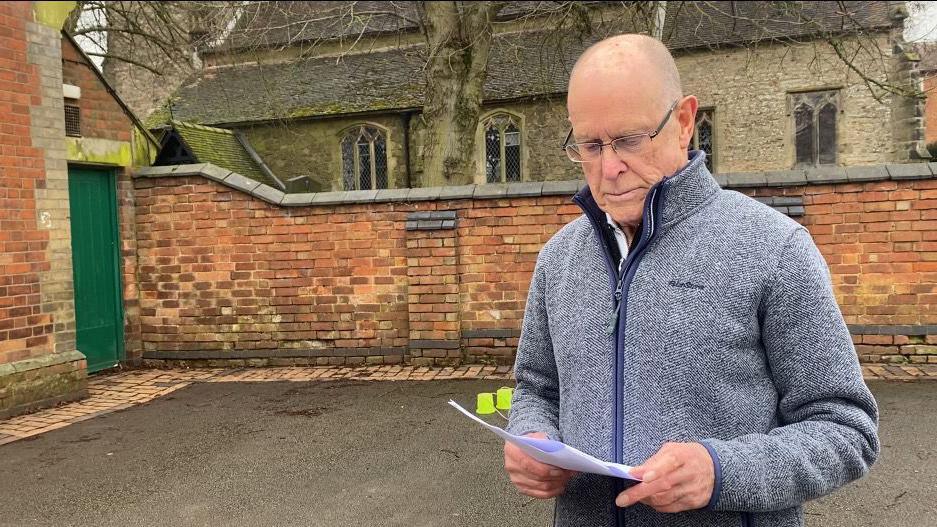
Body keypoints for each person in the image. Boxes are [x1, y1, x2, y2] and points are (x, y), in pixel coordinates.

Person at [503, 34, 879, 527]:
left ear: (683, 123)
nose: (609, 168)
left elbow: (846, 429)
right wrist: (531, 438)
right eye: (590, 146)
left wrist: (722, 471)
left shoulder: (775, 247)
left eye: (630, 141)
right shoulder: (558, 259)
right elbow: (535, 387)